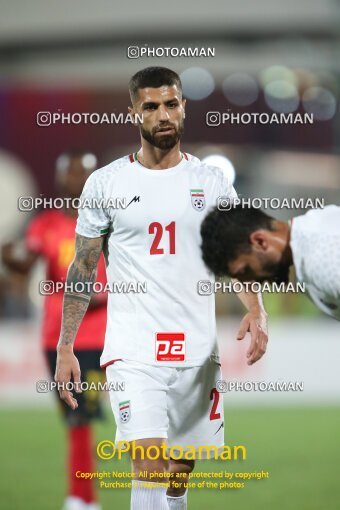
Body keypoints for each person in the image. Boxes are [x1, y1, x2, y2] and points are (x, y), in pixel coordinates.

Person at [55, 67, 269, 510]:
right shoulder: (107, 184)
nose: (163, 114)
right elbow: (83, 266)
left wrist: (257, 308)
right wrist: (65, 345)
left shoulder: (211, 183)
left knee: (177, 474)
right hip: (135, 351)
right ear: (133, 113)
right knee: (149, 464)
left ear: (184, 107)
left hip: (196, 350)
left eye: (171, 104)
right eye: (151, 106)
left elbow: (235, 254)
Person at [2, 150, 107, 510]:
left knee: (99, 415)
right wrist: (7, 255)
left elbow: (114, 283)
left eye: (84, 172)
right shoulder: (45, 224)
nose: (77, 179)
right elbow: (22, 267)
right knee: (76, 419)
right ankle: (83, 497)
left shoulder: (109, 224)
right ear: (61, 178)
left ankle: (87, 498)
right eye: (72, 172)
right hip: (57, 339)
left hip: (99, 338)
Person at [200, 204, 340, 320]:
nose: (253, 283)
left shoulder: (319, 262)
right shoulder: (316, 224)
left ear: (260, 241)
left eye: (246, 270)